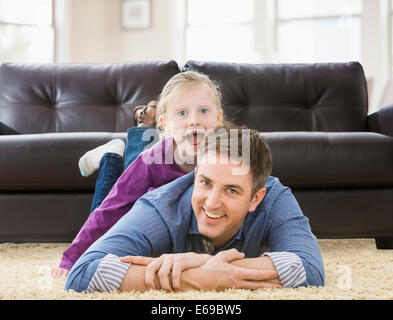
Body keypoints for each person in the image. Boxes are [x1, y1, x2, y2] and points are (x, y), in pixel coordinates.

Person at [64, 123, 325, 293]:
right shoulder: (160, 207)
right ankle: (112, 156)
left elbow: (310, 268)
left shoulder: (274, 198)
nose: (211, 203)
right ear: (196, 174)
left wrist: (203, 263)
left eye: (231, 190)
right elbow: (82, 273)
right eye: (206, 182)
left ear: (256, 198)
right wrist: (200, 278)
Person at [52, 70, 225, 278]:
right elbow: (112, 207)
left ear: (219, 118)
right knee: (110, 209)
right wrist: (73, 259)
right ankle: (111, 157)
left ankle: (140, 126)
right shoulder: (151, 161)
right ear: (165, 125)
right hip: (137, 203)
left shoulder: (228, 158)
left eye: (204, 111)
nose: (194, 120)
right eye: (182, 113)